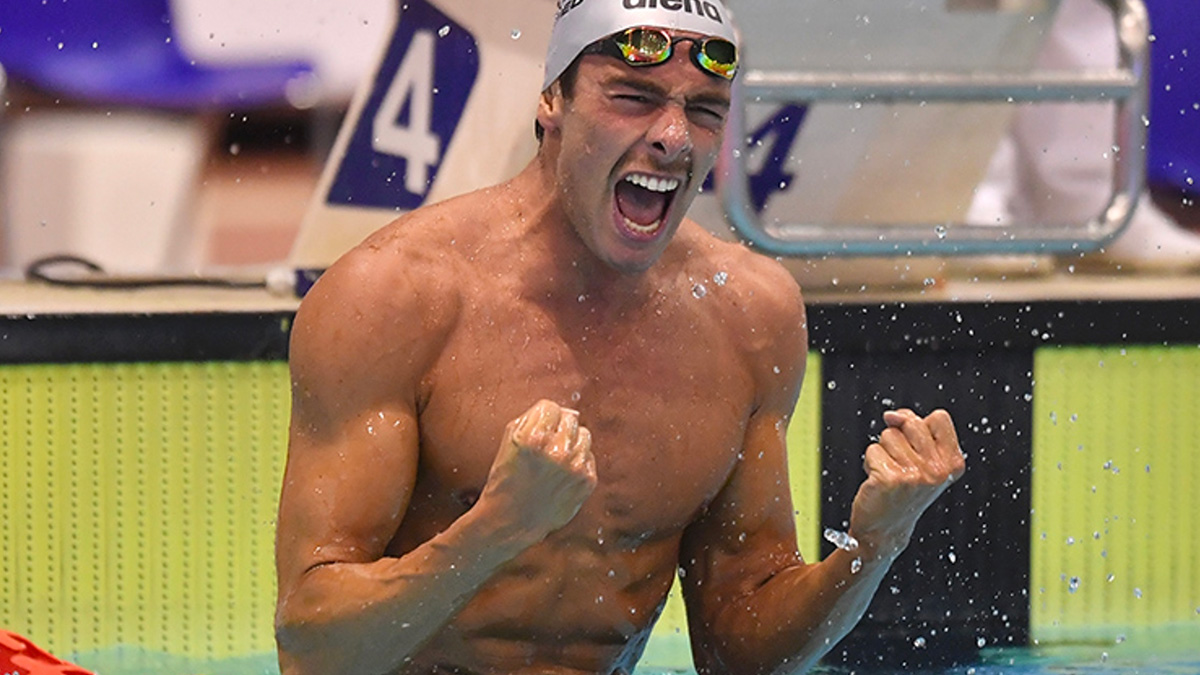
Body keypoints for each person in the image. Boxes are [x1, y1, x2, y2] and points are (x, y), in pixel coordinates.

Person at [273, 1, 966, 673]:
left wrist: (874, 547)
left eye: (703, 110)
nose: (672, 136)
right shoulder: (395, 297)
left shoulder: (748, 315)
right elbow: (313, 651)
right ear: (552, 99)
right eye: (634, 97)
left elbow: (740, 653)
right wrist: (496, 529)